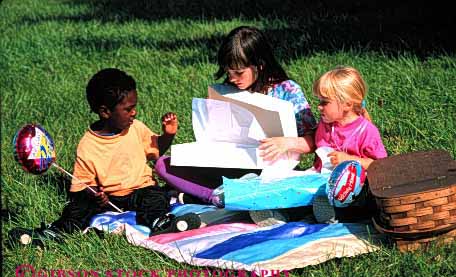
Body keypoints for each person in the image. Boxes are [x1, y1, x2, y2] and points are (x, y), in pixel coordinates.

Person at [8, 68, 200, 247]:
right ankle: (54, 233)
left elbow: (155, 151)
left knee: (155, 198)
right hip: (109, 198)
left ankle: (161, 223)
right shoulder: (88, 145)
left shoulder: (136, 127)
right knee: (78, 207)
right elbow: (80, 187)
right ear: (105, 112)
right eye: (128, 109)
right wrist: (94, 196)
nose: (134, 112)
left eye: (134, 107)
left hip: (141, 190)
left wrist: (168, 135)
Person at [155, 26, 317, 208]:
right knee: (163, 165)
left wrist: (287, 143)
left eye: (239, 73)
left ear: (260, 65)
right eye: (228, 72)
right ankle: (218, 196)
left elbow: (316, 141)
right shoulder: (226, 91)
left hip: (271, 172)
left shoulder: (287, 90)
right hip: (229, 165)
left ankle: (213, 195)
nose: (233, 79)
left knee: (272, 183)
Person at [311, 66, 388, 223]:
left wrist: (349, 159)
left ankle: (337, 214)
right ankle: (284, 212)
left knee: (359, 196)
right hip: (323, 179)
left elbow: (379, 165)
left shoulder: (366, 131)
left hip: (355, 187)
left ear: (346, 104)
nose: (319, 106)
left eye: (324, 102)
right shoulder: (326, 125)